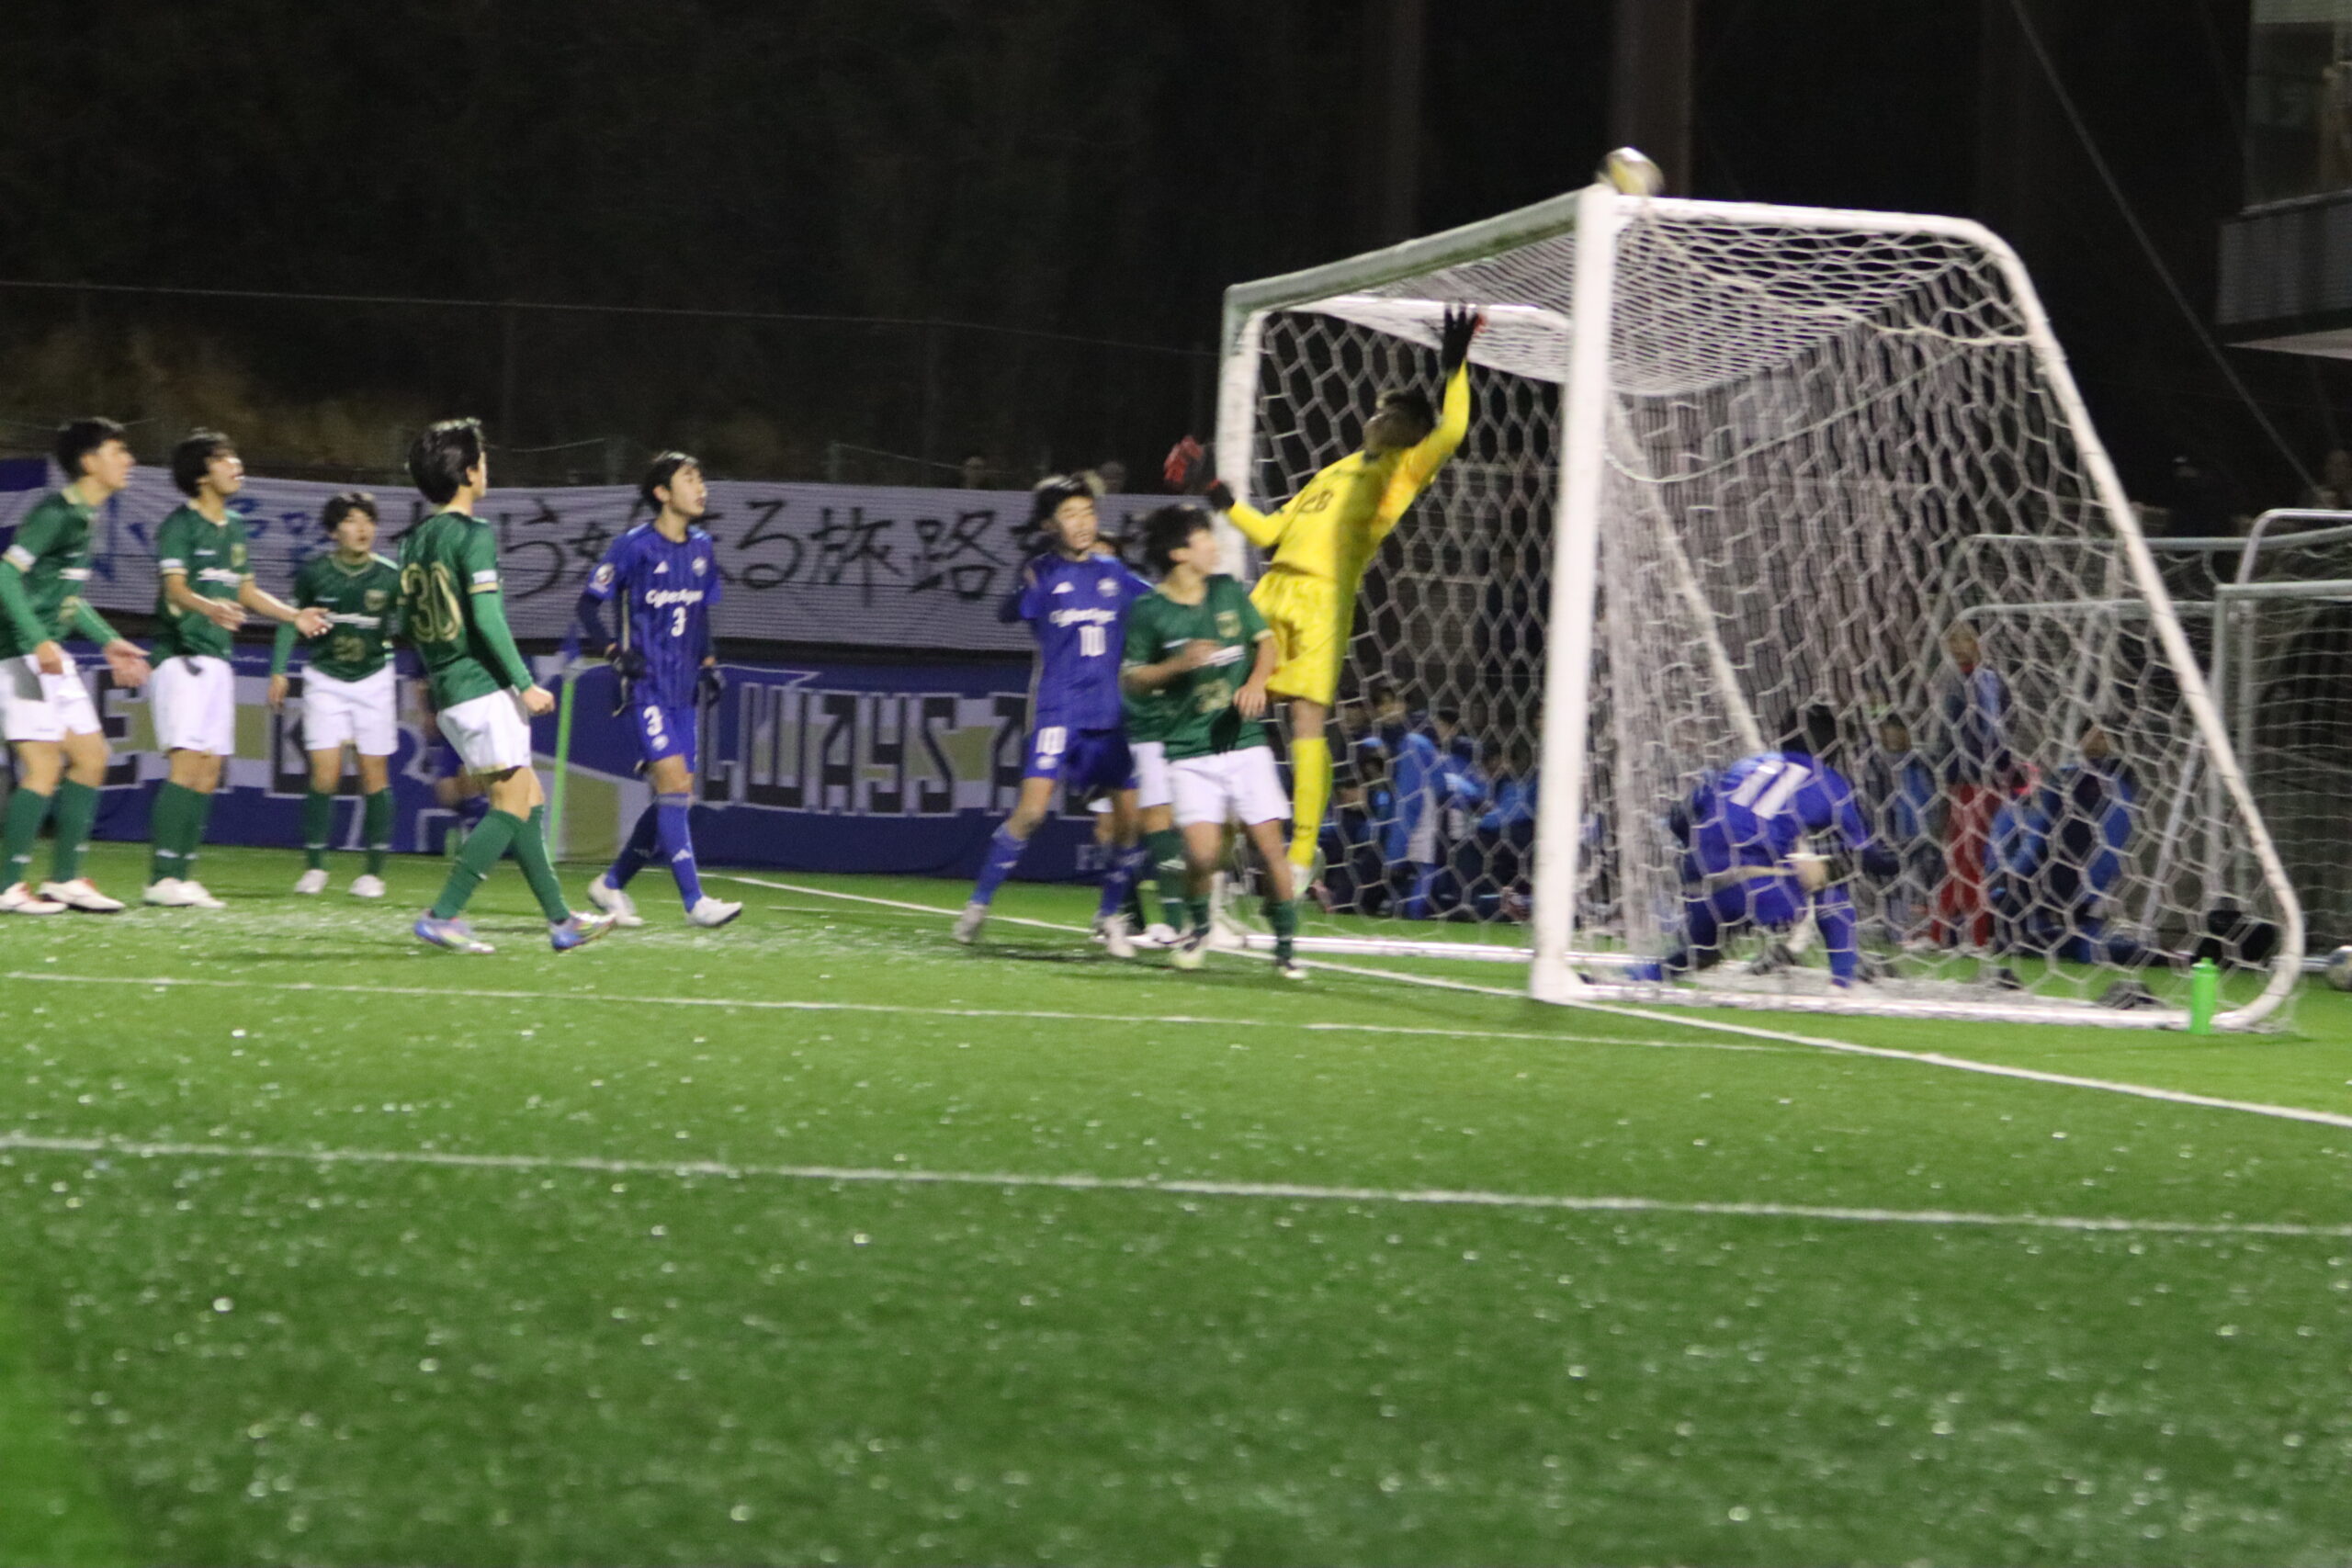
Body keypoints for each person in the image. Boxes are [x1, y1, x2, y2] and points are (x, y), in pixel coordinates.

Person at [1183, 303, 1482, 883]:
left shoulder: (1402, 470)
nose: (1376, 417)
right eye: (1378, 411)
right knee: (1218, 695)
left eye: (1389, 412)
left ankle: (1300, 856)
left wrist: (1454, 370)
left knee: (1305, 720)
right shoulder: (1335, 471)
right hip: (1274, 586)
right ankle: (1216, 829)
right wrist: (1215, 491)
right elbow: (1269, 532)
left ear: (1408, 429)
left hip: (1322, 599)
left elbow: (1452, 430)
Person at [401, 418, 615, 954]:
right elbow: (488, 616)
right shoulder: (473, 534)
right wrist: (523, 683)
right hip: (480, 686)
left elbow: (414, 623)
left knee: (528, 798)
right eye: (482, 459)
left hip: (451, 687)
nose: (487, 468)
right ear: (467, 472)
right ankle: (443, 914)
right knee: (511, 804)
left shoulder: (414, 541)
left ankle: (562, 920)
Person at [954, 475, 1151, 951]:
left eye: (1088, 512)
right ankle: (978, 905)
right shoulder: (1042, 573)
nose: (1082, 523)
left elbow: (1160, 601)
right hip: (1059, 712)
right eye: (1069, 514)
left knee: (1129, 820)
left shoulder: (1114, 573)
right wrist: (1027, 575)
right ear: (1050, 524)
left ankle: (1110, 915)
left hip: (1108, 714)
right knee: (1032, 812)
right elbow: (1007, 612)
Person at [144, 429, 331, 907]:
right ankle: (161, 877)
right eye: (224, 458)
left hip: (217, 658)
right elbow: (175, 588)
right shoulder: (180, 525)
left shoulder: (235, 527)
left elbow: (246, 591)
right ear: (201, 474)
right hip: (181, 656)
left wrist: (294, 616)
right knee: (186, 762)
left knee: (210, 769)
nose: (236, 465)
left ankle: (183, 876)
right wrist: (210, 607)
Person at [1122, 505, 1303, 977]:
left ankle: (1286, 950)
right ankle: (1199, 928)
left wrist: (1256, 683)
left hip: (1244, 741)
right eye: (1204, 538)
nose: (1214, 546)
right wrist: (1177, 665)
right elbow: (1133, 679)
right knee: (1202, 856)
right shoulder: (1149, 611)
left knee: (1269, 847)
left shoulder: (1227, 590)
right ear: (1179, 553)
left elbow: (1266, 644)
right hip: (1188, 750)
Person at [564, 452, 741, 929]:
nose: (701, 487)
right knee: (676, 787)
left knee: (676, 795)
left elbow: (700, 615)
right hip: (643, 688)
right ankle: (695, 902)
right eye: (690, 479)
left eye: (701, 478)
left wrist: (709, 662)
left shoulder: (702, 548)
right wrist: (614, 653)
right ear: (663, 493)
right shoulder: (633, 547)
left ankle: (611, 884)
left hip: (683, 691)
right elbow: (587, 606)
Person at [0, 419, 153, 914]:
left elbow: (66, 596)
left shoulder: (86, 516)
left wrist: (109, 640)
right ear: (89, 462)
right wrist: (38, 640)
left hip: (46, 654)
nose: (128, 460)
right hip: (17, 654)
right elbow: (5, 575)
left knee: (91, 757)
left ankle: (64, 879)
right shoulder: (56, 512)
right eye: (118, 450)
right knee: (44, 766)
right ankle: (6, 885)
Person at [1632, 714, 1900, 989]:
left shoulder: (1745, 766)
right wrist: (1900, 861)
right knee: (1830, 877)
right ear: (1834, 749)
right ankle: (1844, 983)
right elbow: (1867, 854)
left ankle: (1634, 978)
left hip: (1697, 885)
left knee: (1700, 954)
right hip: (1758, 889)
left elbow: (1680, 816)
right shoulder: (1829, 782)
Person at [269, 491, 402, 897]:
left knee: (374, 773)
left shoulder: (391, 575)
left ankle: (374, 872)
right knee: (325, 773)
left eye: (368, 520)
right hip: (325, 679)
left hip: (375, 679)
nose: (362, 529)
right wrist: (278, 670)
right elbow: (291, 621)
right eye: (351, 520)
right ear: (333, 531)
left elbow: (415, 624)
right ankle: (315, 867)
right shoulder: (314, 574)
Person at [1930, 622, 2014, 950]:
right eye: (1952, 640)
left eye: (1965, 639)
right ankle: (1944, 933)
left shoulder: (1985, 679)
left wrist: (1993, 771)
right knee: (1959, 858)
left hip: (1980, 780)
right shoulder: (1957, 680)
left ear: (1980, 643)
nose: (1957, 646)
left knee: (1969, 858)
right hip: (1962, 780)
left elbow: (1993, 732)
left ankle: (1974, 938)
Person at [1859, 712, 1941, 944]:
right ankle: (1895, 931)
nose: (1894, 736)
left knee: (1919, 880)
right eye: (1889, 731)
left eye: (1898, 731)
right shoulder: (1876, 764)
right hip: (1892, 829)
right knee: (1894, 881)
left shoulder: (1920, 763)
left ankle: (1913, 930)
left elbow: (1930, 794)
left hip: (1920, 830)